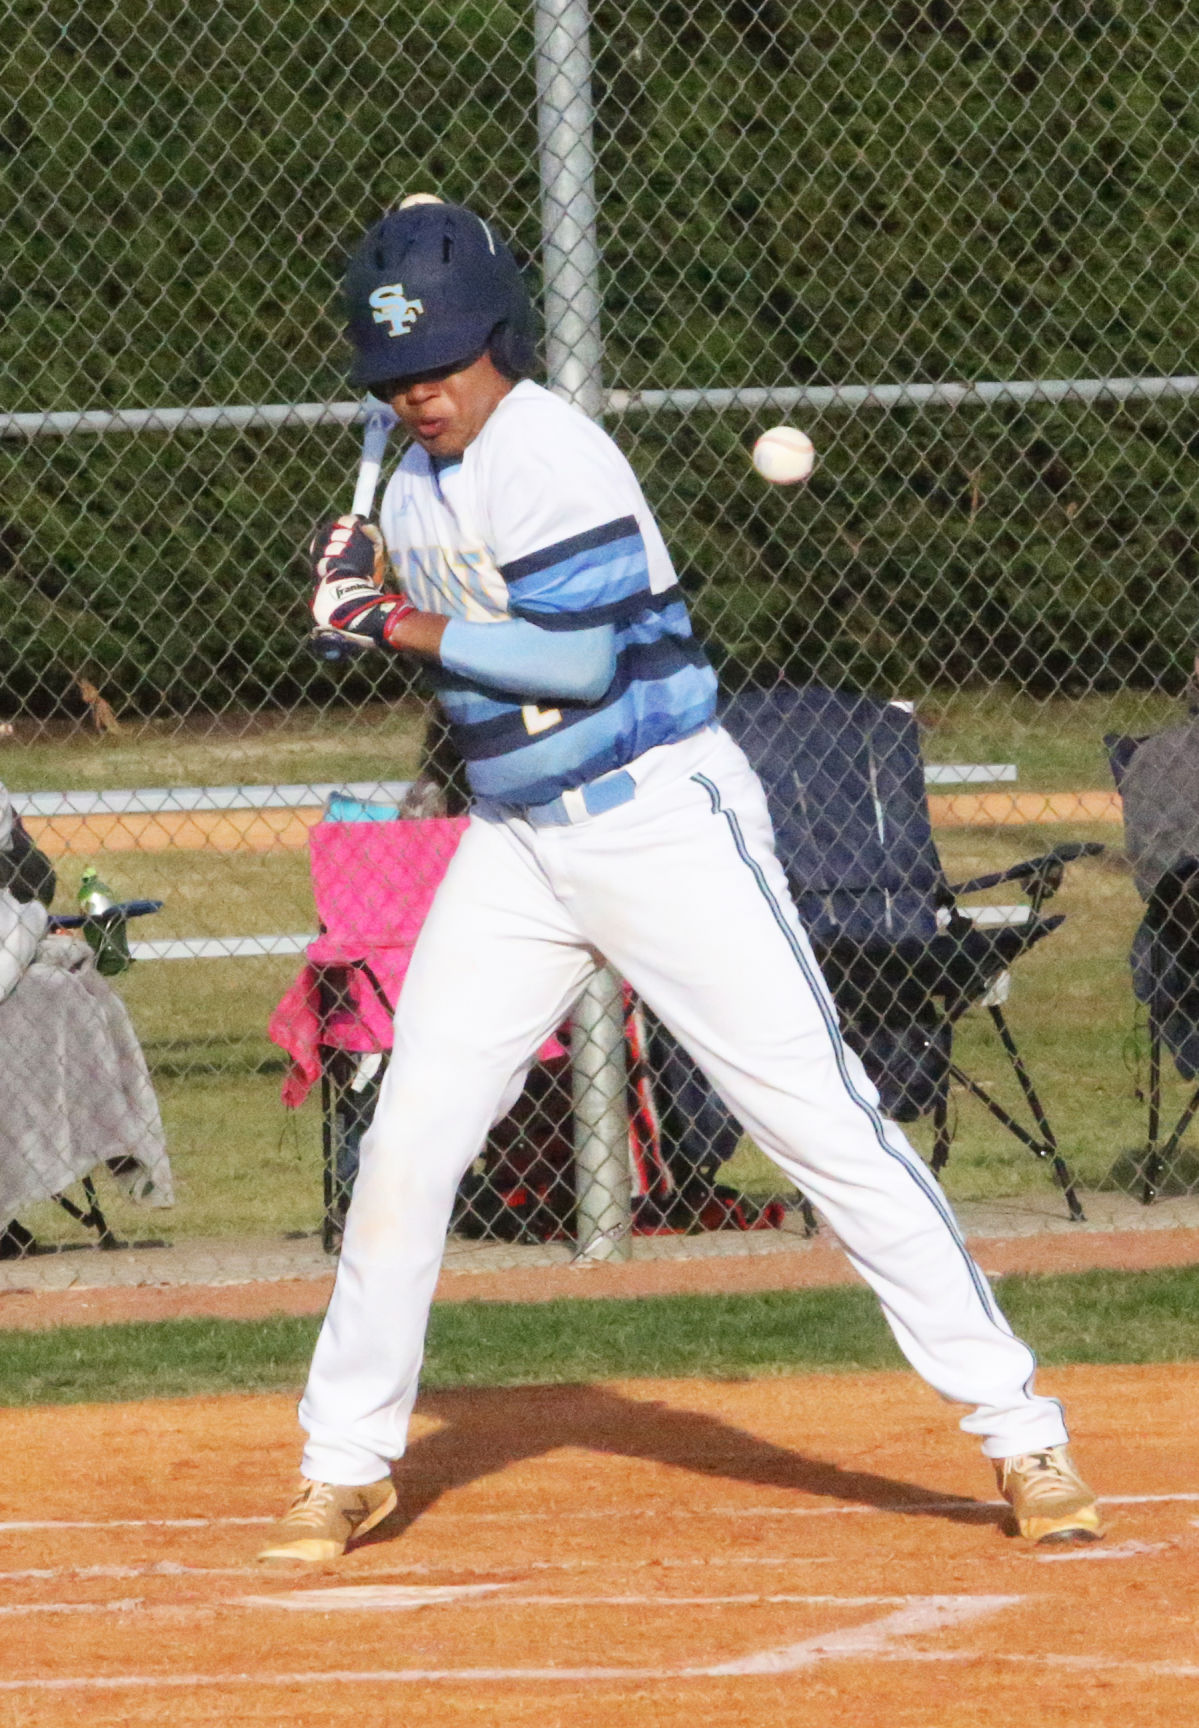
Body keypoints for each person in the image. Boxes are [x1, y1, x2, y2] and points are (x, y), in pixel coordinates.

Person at [258, 198, 1101, 1564]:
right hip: (517, 847)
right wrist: (367, 568)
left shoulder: (555, 453)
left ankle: (1021, 1434)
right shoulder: (411, 478)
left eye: (445, 363)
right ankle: (346, 1462)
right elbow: (452, 636)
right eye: (396, 375)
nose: (419, 393)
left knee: (823, 1120)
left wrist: (386, 619)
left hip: (660, 824)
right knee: (408, 1143)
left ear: (501, 344)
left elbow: (570, 665)